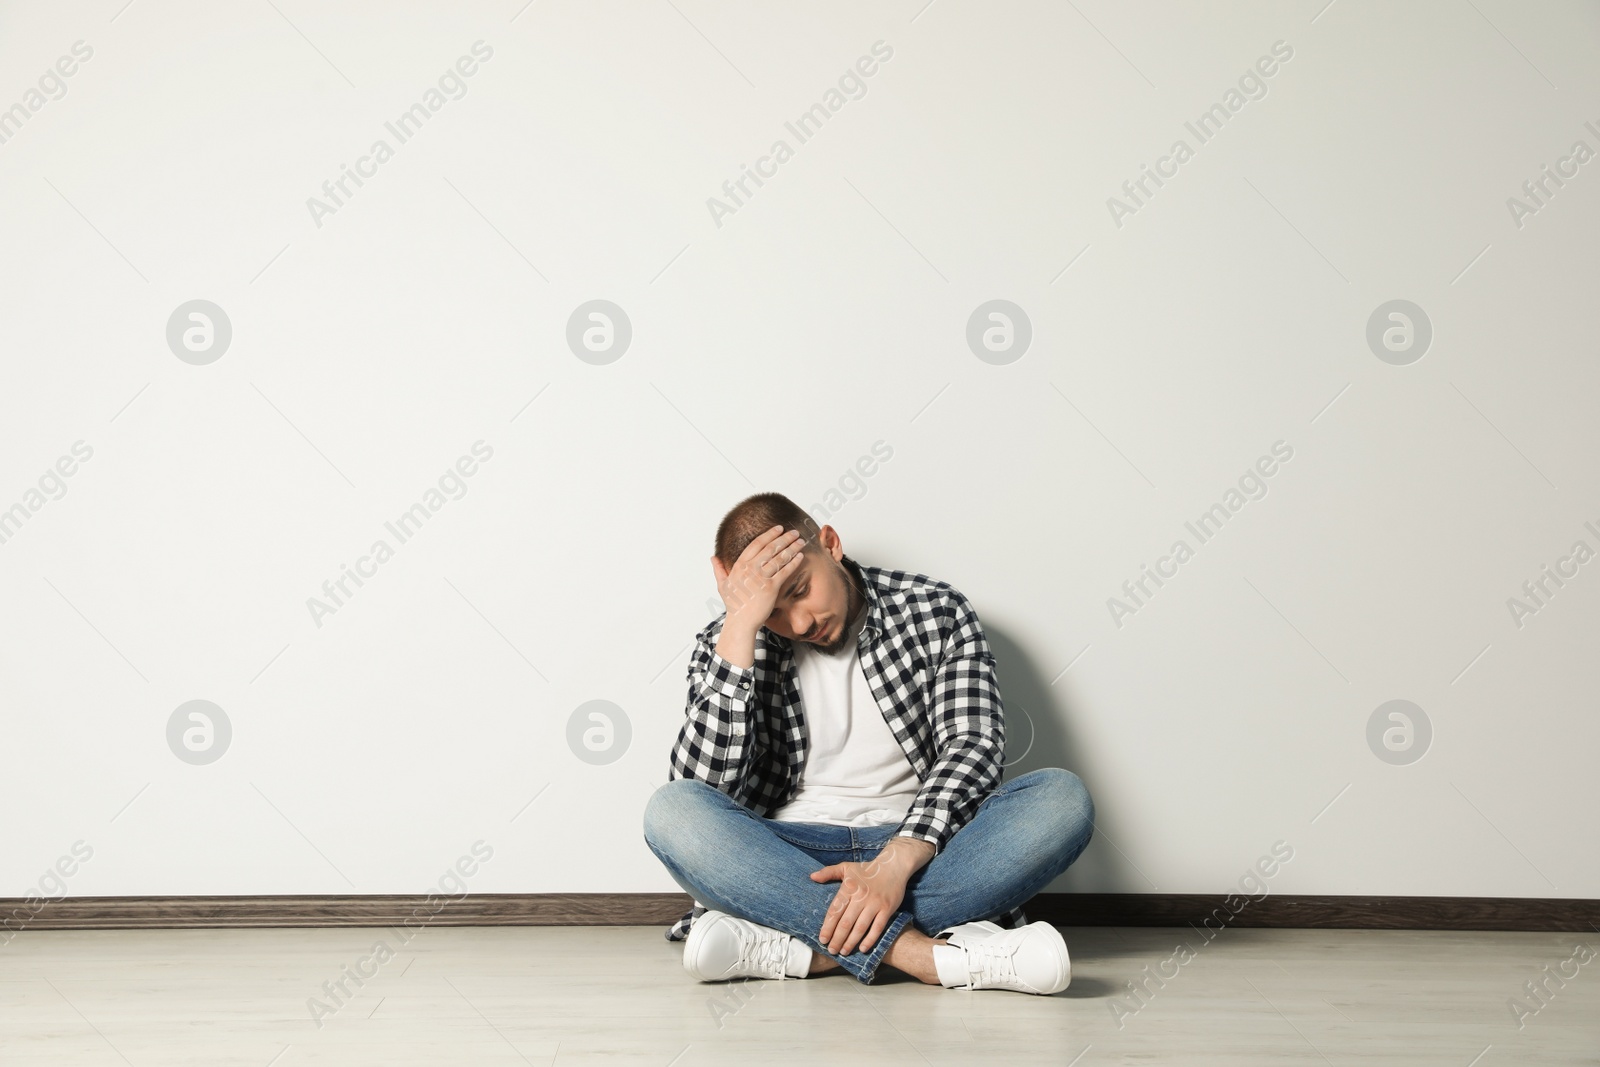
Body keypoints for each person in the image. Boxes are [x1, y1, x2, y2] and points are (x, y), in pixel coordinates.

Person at [642, 492, 1095, 994]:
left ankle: (795, 947)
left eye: (800, 589)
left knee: (1061, 799)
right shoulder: (727, 640)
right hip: (790, 857)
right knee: (672, 811)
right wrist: (741, 628)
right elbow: (703, 789)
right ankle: (927, 956)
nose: (797, 624)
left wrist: (894, 863)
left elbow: (974, 745)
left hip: (923, 849)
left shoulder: (935, 610)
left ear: (831, 545)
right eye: (770, 610)